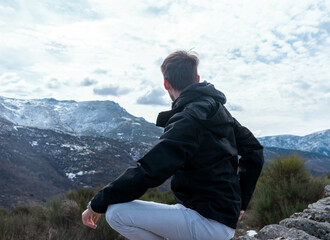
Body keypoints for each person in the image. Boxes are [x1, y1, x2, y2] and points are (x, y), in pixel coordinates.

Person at [82, 50, 264, 240]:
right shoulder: (218, 111)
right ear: (197, 78)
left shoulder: (189, 118)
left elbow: (150, 170)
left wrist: (97, 203)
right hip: (220, 219)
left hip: (206, 222)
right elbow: (254, 151)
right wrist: (241, 202)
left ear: (166, 83)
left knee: (115, 213)